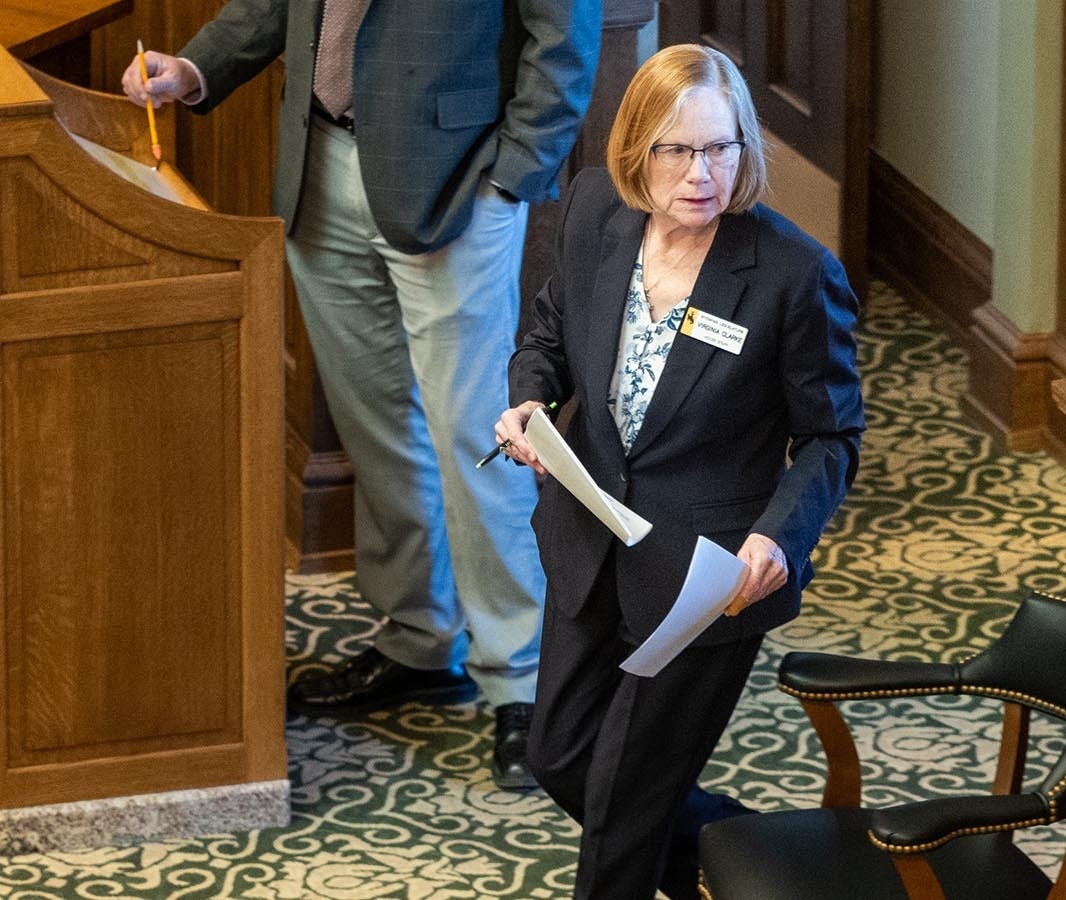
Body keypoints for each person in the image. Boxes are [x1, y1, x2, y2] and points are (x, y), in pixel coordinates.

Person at [121, 0, 601, 789]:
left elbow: (566, 33)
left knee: (480, 437)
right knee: (376, 425)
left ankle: (523, 678)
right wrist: (196, 66)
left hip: (456, 182)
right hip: (319, 164)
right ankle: (418, 636)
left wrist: (515, 175)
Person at [492, 43, 864, 900]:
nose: (702, 173)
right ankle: (760, 860)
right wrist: (531, 403)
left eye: (722, 148)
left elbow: (831, 438)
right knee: (557, 758)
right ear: (635, 151)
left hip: (709, 577)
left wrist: (778, 537)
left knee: (624, 806)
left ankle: (749, 865)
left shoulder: (794, 275)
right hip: (590, 541)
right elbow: (548, 336)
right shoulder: (593, 214)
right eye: (677, 150)